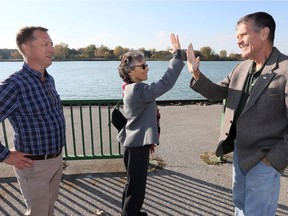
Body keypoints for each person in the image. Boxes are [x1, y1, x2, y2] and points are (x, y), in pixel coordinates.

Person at [186, 12, 288, 215]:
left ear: (264, 33)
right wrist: (195, 73)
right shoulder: (241, 68)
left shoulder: (286, 70)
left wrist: (273, 160)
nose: (237, 40)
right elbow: (216, 93)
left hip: (265, 160)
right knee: (240, 207)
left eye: (242, 34)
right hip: (240, 155)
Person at [117, 33, 186, 216]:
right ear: (131, 71)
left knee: (132, 183)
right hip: (137, 145)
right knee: (137, 188)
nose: (147, 68)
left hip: (133, 143)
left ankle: (129, 212)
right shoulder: (139, 89)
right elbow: (165, 84)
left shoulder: (130, 87)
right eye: (143, 66)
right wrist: (177, 57)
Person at [0, 26, 65, 216]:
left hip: (56, 160)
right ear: (27, 48)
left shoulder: (48, 79)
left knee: (50, 207)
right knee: (38, 212)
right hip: (34, 167)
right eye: (45, 44)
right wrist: (5, 155)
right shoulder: (14, 85)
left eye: (51, 44)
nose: (52, 49)